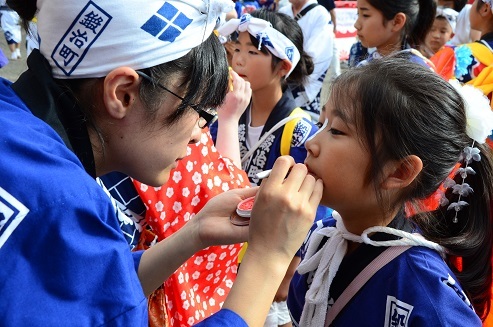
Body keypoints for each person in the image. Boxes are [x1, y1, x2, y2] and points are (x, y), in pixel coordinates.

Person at [0, 0, 323, 326]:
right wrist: (268, 258)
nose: (200, 137)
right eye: (199, 113)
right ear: (123, 93)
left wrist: (195, 233)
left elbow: (96, 292)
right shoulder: (64, 208)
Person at [287, 55, 493, 326]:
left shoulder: (426, 293)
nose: (311, 143)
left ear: (399, 172)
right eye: (322, 123)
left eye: (336, 130)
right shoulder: (321, 235)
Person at [216, 10, 326, 327]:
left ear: (282, 66)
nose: (238, 60)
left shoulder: (301, 132)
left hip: (269, 267)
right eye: (236, 49)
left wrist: (289, 268)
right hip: (225, 256)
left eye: (253, 52)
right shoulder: (228, 114)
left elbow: (312, 208)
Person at [278, 0, 334, 120]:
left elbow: (317, 54)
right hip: (279, 80)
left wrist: (285, 66)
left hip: (301, 82)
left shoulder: (320, 14)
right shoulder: (283, 11)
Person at [349, 0, 436, 68]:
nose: (356, 25)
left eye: (365, 15)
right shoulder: (362, 61)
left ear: (397, 22)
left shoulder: (416, 73)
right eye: (358, 14)